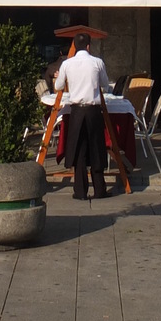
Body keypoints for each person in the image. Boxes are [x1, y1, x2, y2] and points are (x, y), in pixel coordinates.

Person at [54, 34, 111, 200]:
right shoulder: (97, 62)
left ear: (75, 46)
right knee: (97, 148)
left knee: (79, 149)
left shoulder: (67, 64)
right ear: (88, 46)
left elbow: (58, 86)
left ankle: (80, 191)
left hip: (77, 111)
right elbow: (105, 85)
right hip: (93, 110)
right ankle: (99, 189)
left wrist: (60, 77)